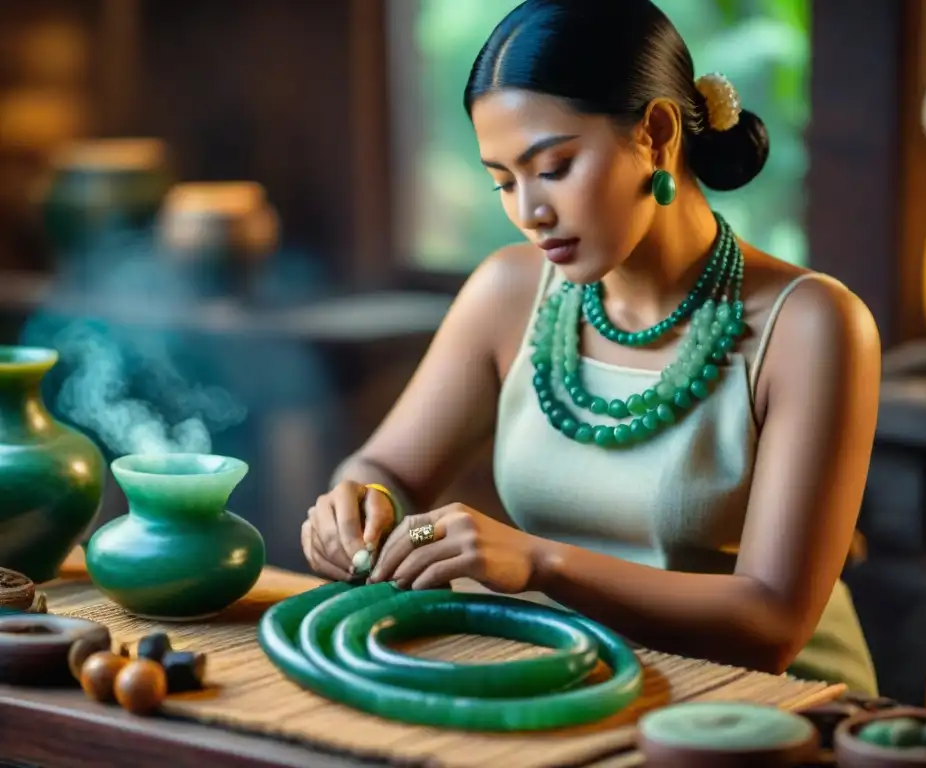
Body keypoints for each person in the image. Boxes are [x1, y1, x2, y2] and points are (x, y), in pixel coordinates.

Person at [302, 0, 880, 696]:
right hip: (565, 687)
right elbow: (386, 465)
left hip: (767, 715)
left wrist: (542, 564)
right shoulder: (509, 293)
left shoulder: (812, 326)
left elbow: (771, 623)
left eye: (555, 166)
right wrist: (360, 501)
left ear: (657, 134)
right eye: (503, 180)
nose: (528, 211)